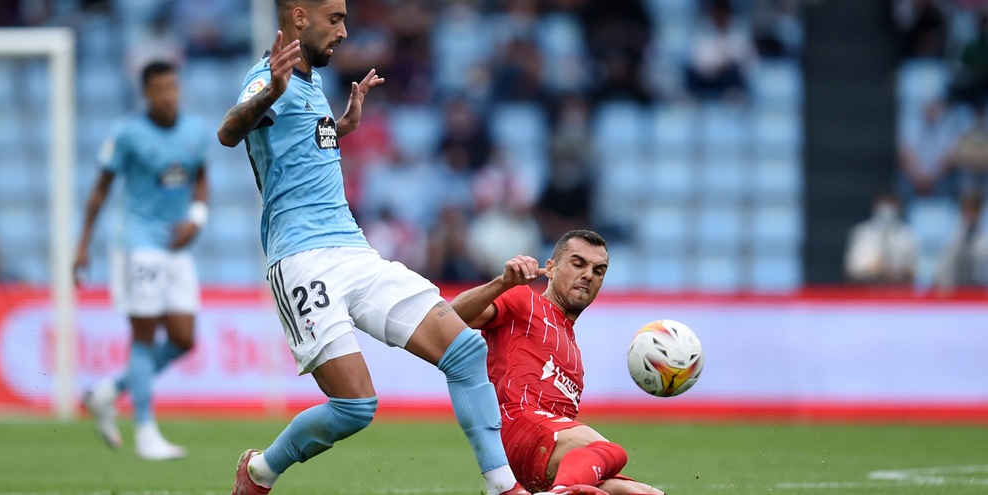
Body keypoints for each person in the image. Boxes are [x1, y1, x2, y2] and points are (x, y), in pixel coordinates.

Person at [215, 2, 529, 494]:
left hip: (353, 251)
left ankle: (502, 486)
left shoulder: (314, 82)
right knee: (356, 407)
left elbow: (298, 146)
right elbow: (229, 130)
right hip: (301, 261)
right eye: (335, 18)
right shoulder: (267, 77)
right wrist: (269, 93)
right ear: (299, 17)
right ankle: (259, 471)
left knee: (465, 350)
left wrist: (340, 128)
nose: (344, 30)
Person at [451, 230, 665, 495]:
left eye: (599, 271)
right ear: (550, 268)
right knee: (611, 452)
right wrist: (502, 283)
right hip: (516, 423)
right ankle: (562, 491)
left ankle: (560, 490)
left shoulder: (575, 357)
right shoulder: (523, 300)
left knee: (645, 493)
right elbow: (452, 317)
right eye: (578, 264)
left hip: (540, 456)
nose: (588, 274)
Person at [74, 60, 210, 461]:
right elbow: (100, 189)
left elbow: (201, 177)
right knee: (145, 336)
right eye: (160, 90)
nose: (169, 96)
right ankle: (146, 432)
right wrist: (82, 245)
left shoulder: (195, 132)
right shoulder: (127, 134)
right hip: (138, 243)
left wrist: (196, 219)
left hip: (176, 245)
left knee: (184, 339)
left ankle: (108, 392)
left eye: (173, 88)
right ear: (146, 93)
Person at [843, 192, 918, 285]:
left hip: (898, 290)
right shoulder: (861, 232)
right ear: (875, 207)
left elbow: (913, 271)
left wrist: (893, 274)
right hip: (865, 288)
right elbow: (850, 270)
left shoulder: (908, 235)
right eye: (883, 205)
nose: (887, 211)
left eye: (890, 204)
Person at [934, 192, 988, 293]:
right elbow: (944, 267)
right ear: (963, 211)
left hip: (979, 291)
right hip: (955, 291)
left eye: (975, 211)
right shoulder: (953, 237)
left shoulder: (984, 239)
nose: (972, 215)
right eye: (969, 211)